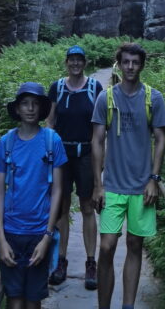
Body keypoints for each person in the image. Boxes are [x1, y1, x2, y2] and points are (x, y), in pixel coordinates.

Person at [91, 42, 165, 309]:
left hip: (141, 186)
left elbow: (160, 139)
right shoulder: (107, 98)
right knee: (106, 247)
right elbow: (97, 141)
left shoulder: (153, 98)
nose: (131, 67)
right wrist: (97, 184)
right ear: (119, 64)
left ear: (142, 65)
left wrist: (154, 179)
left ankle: (127, 305)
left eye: (135, 62)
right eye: (126, 62)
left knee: (135, 245)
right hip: (112, 185)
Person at [0, 82, 68, 309]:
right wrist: (1, 239)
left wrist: (47, 236)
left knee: (34, 300)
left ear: (42, 109)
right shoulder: (6, 142)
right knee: (14, 300)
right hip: (12, 232)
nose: (30, 108)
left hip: (38, 232)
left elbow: (57, 190)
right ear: (17, 109)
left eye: (35, 104)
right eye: (25, 103)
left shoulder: (51, 141)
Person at [45, 44, 103, 290]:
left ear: (85, 62)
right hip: (62, 155)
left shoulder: (94, 87)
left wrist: (101, 164)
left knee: (87, 207)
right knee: (62, 208)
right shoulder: (57, 87)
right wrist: (48, 149)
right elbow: (49, 120)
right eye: (72, 60)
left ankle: (91, 263)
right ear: (66, 62)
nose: (75, 64)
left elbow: (100, 127)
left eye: (79, 59)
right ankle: (61, 261)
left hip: (86, 154)